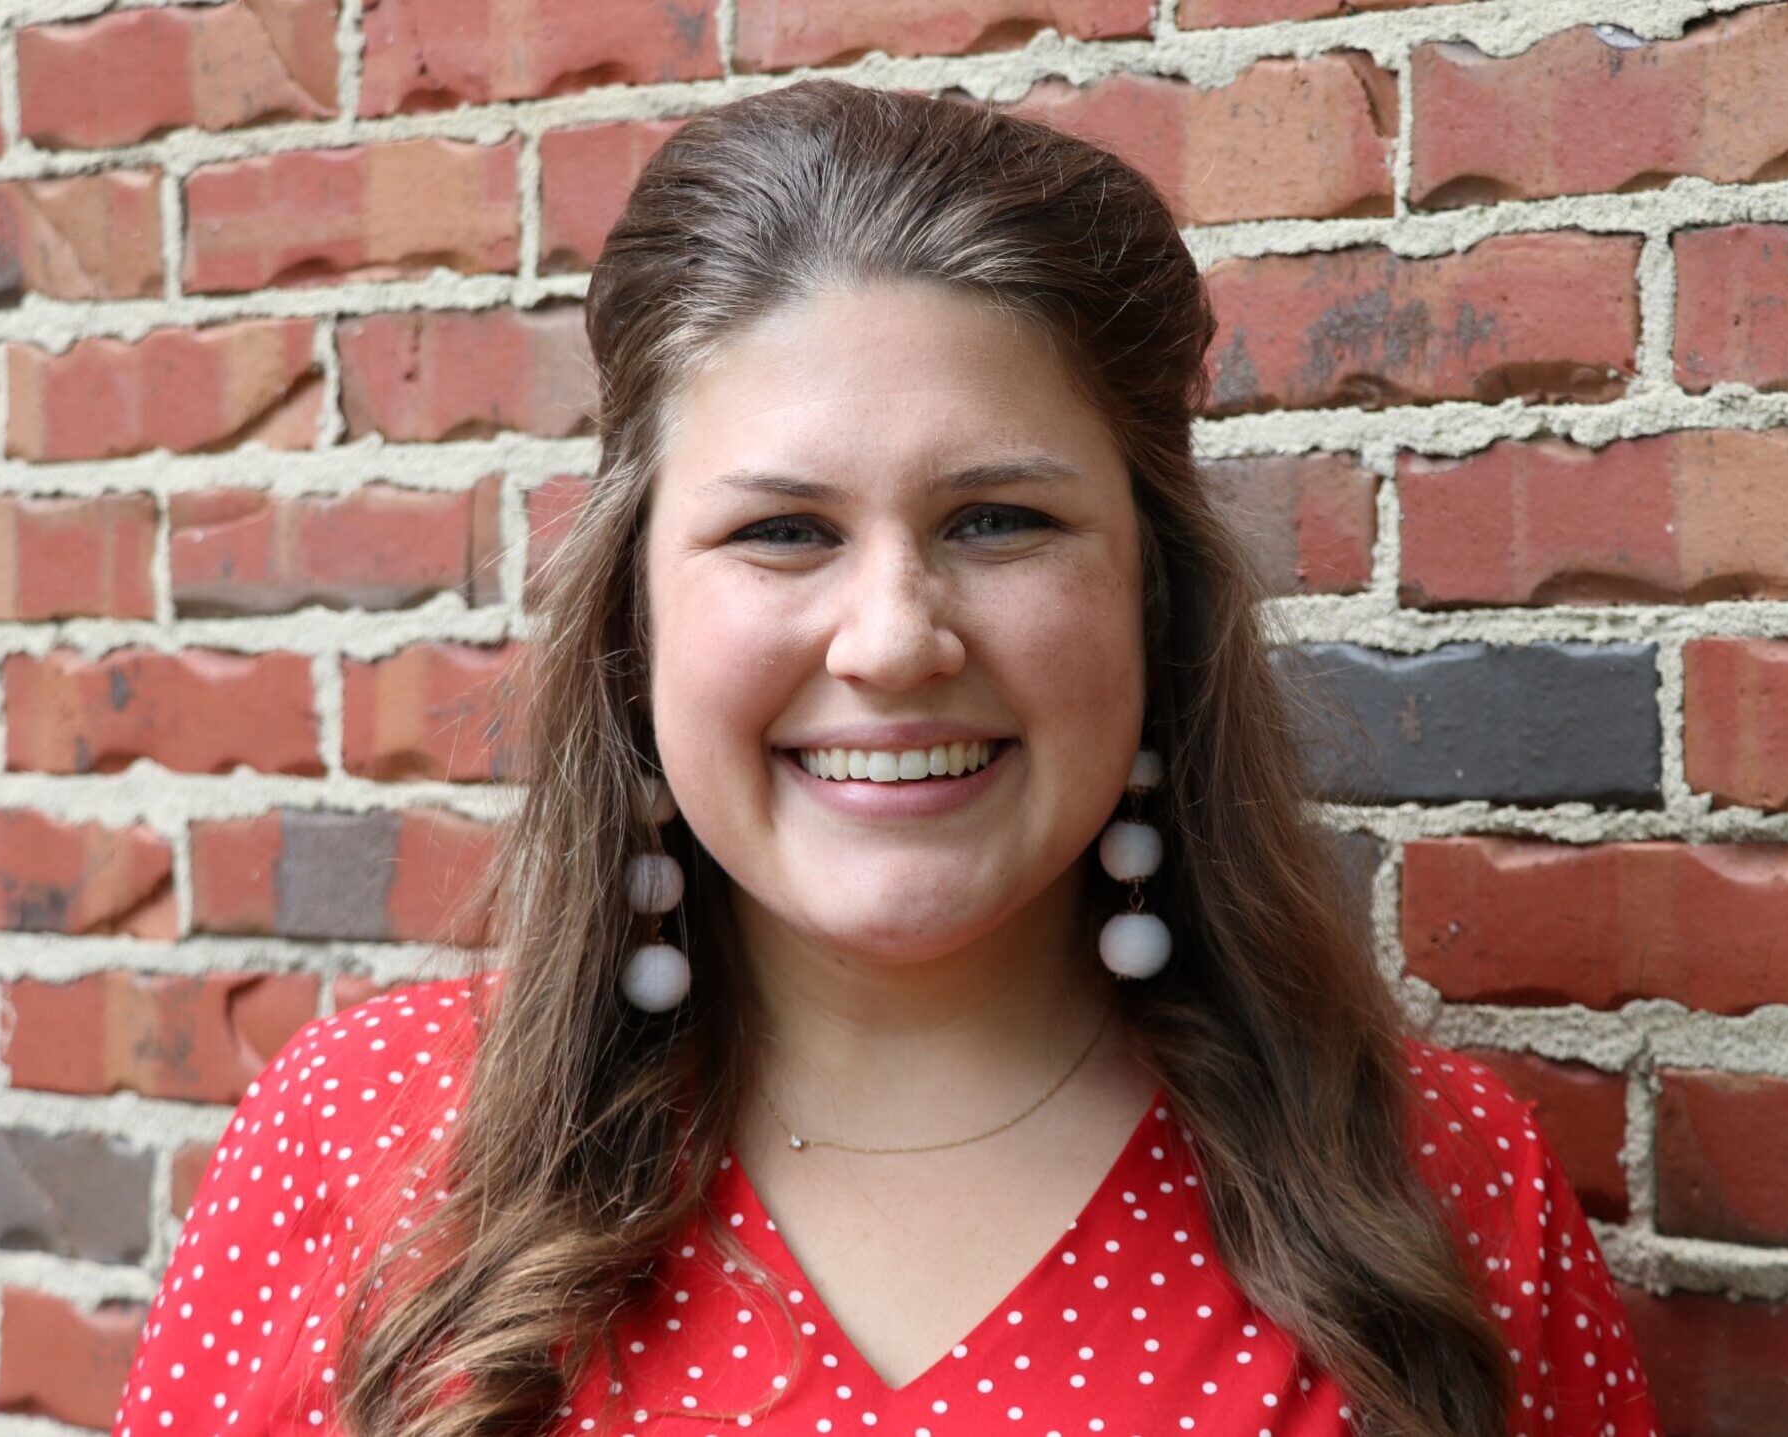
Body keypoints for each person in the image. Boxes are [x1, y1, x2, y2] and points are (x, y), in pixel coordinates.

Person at [109, 79, 1657, 1437]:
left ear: (1152, 596)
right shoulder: (366, 1141)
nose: (892, 638)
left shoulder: (1441, 1186)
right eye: (783, 531)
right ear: (636, 616)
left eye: (999, 519)